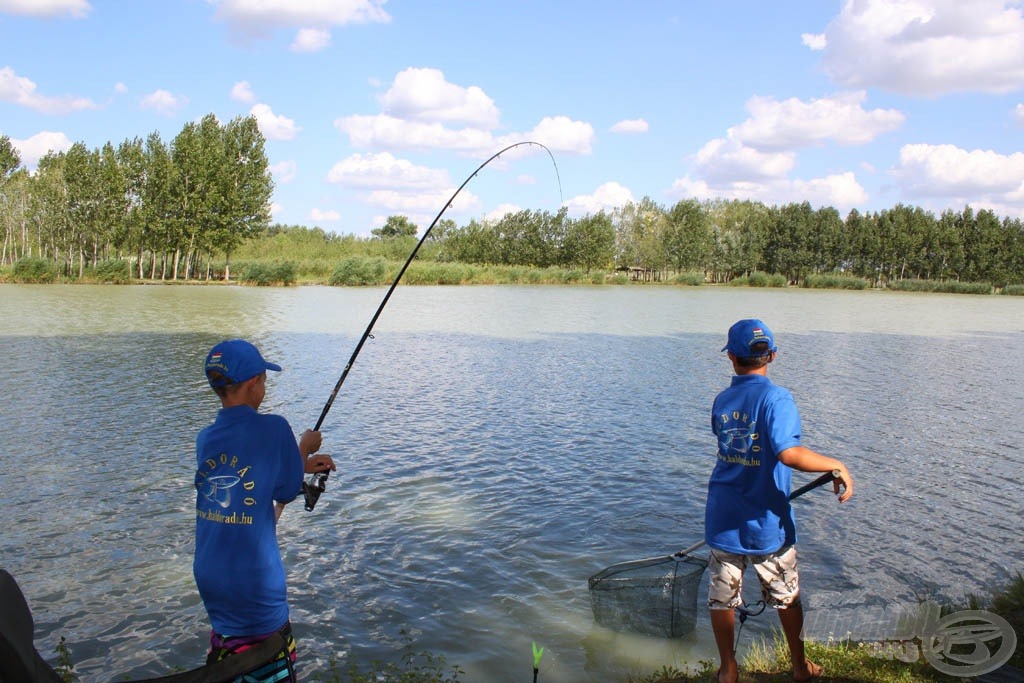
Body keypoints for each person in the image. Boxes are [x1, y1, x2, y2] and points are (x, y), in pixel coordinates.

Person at [706, 319, 853, 683]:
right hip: (766, 522)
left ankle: (728, 670)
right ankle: (800, 668)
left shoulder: (722, 400)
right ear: (771, 355)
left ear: (731, 358)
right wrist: (836, 464)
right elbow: (789, 453)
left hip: (723, 516)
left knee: (722, 597)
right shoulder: (777, 398)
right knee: (787, 596)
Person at [194, 339, 336, 682]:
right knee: (269, 656)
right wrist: (304, 447)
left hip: (210, 574)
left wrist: (297, 462)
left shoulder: (206, 438)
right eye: (264, 379)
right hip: (254, 580)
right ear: (254, 383)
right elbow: (286, 489)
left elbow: (249, 481)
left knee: (232, 649)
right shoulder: (274, 427)